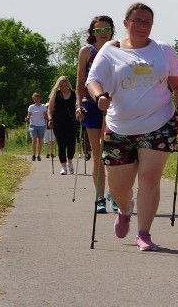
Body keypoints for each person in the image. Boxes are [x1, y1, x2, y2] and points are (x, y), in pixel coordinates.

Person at [86, 2, 178, 251]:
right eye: (137, 21)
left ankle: (144, 233)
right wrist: (100, 96)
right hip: (119, 125)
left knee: (150, 178)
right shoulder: (111, 51)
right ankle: (124, 209)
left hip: (159, 122)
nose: (142, 26)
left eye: (147, 22)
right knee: (118, 187)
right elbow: (93, 80)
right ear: (125, 23)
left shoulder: (163, 50)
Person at [76, 15, 116, 213]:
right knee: (98, 153)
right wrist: (78, 104)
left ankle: (115, 194)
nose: (103, 33)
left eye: (106, 29)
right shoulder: (86, 52)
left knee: (114, 152)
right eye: (98, 30)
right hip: (92, 105)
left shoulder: (118, 49)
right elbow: (81, 81)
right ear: (92, 33)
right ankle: (100, 197)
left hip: (115, 107)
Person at [47, 76, 78, 175]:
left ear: (68, 85)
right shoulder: (56, 94)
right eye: (62, 86)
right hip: (58, 123)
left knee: (71, 144)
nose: (64, 87)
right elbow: (50, 109)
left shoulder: (74, 94)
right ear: (59, 86)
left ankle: (70, 162)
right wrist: (50, 119)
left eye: (66, 85)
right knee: (61, 145)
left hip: (71, 123)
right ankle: (63, 167)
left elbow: (78, 105)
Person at [26, 92, 47, 161]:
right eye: (35, 99)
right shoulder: (31, 107)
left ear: (40, 99)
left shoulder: (43, 106)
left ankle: (38, 155)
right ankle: (33, 154)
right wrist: (27, 118)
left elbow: (46, 115)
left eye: (37, 99)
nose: (36, 100)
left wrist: (45, 116)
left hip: (41, 125)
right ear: (33, 99)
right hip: (33, 125)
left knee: (40, 140)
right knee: (34, 139)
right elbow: (28, 116)